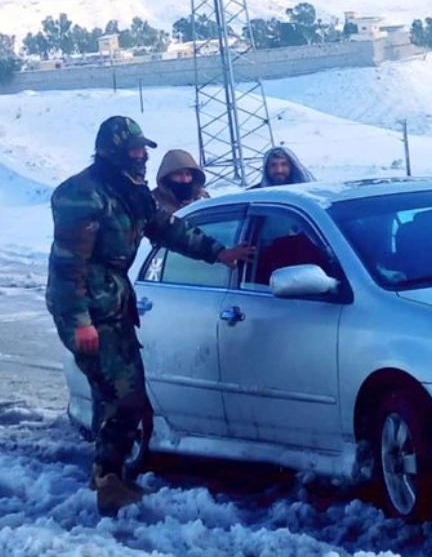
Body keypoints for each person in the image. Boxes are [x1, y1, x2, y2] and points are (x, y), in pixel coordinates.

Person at [45, 116, 254, 517]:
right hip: (87, 307)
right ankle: (109, 481)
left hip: (115, 303)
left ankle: (108, 476)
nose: (142, 157)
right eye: (135, 150)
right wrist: (79, 322)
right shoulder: (82, 195)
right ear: (113, 150)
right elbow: (68, 267)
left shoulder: (131, 190)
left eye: (144, 150)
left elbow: (167, 228)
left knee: (124, 398)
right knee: (124, 397)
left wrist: (218, 252)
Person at [151, 149, 209, 215]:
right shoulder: (153, 202)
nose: (185, 179)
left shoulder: (203, 198)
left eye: (188, 174)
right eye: (178, 174)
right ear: (167, 177)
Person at [250, 146, 314, 188]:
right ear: (266, 168)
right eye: (273, 165)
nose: (279, 170)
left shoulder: (308, 191)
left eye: (284, 164)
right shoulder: (254, 195)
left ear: (292, 167)